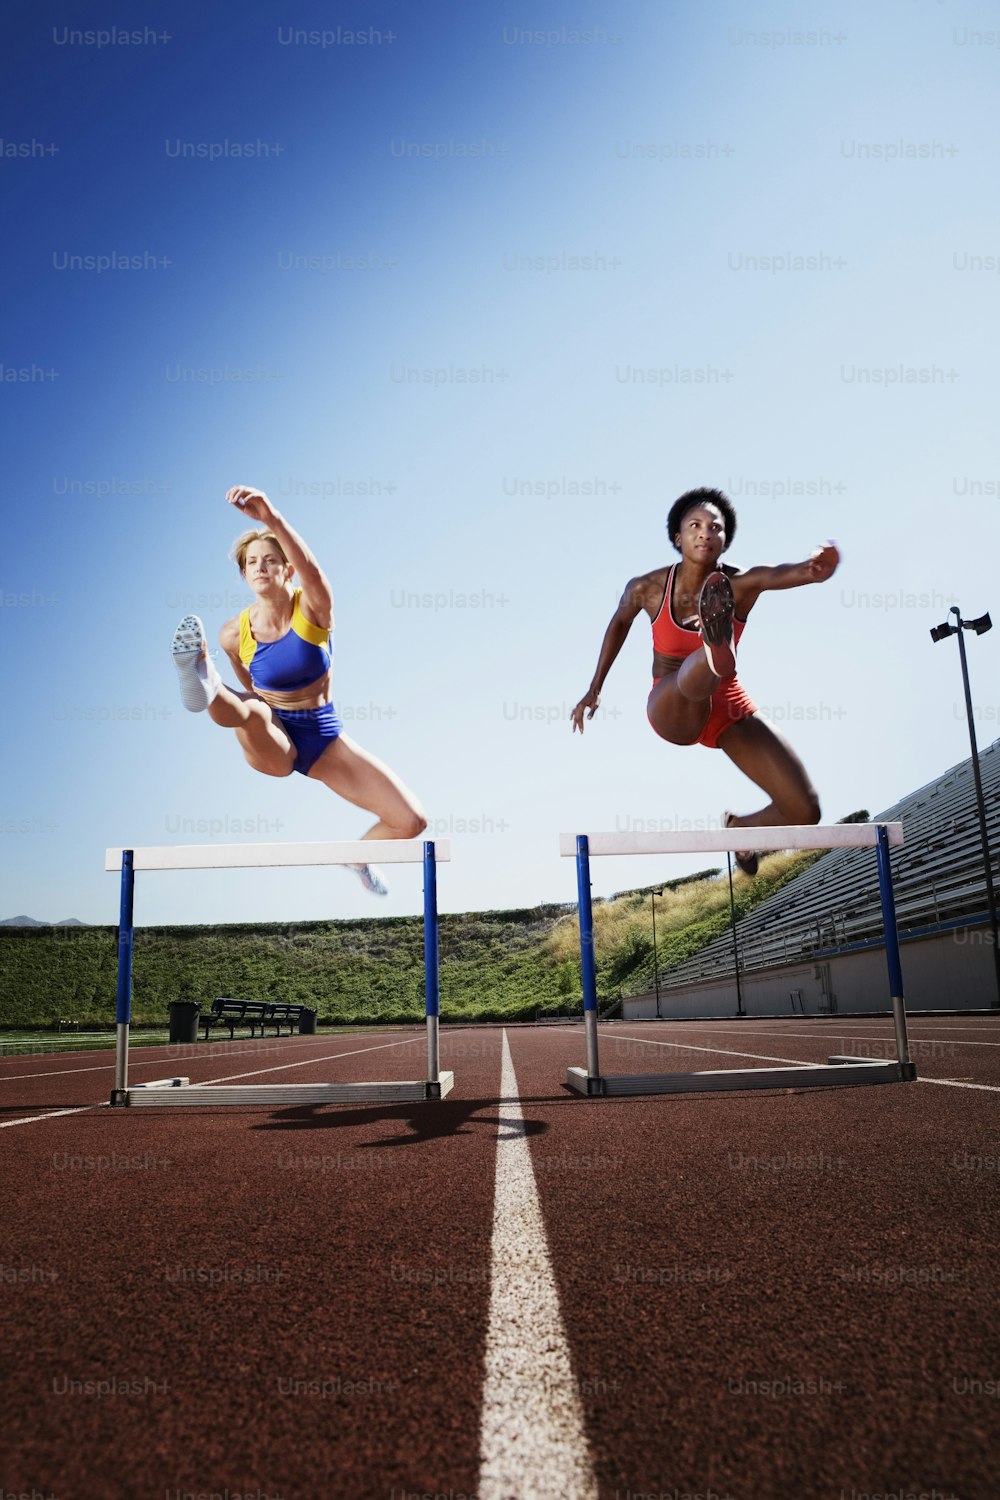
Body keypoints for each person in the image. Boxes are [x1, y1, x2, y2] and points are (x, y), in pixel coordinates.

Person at [171, 486, 427, 895]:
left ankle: (357, 857)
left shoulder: (312, 607)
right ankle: (205, 680)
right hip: (273, 733)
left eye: (270, 560)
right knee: (251, 708)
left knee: (411, 821)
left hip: (322, 736)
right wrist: (242, 698)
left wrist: (270, 517)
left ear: (287, 570)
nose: (260, 567)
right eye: (251, 562)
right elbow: (252, 688)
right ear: (243, 575)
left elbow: (314, 571)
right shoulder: (234, 634)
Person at [570, 487, 840, 874]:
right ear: (678, 538)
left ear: (725, 540)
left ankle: (741, 830)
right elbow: (619, 623)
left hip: (728, 705)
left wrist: (814, 570)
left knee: (805, 809)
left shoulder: (741, 582)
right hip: (672, 703)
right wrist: (593, 690)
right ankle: (713, 653)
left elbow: (782, 573)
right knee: (697, 668)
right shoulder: (647, 588)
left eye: (715, 527)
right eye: (695, 525)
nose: (705, 533)